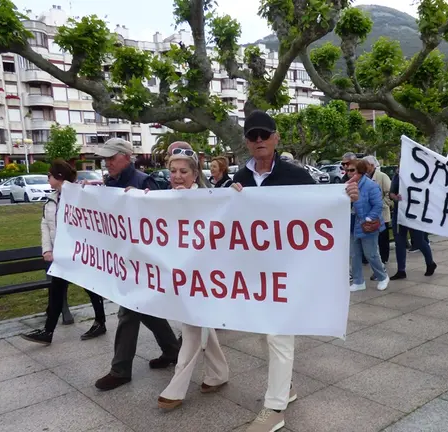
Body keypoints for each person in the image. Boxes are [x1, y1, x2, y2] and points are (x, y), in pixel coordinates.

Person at [231, 110, 359, 432]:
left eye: (264, 135)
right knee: (265, 331)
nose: (258, 140)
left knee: (278, 334)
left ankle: (274, 409)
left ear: (275, 138)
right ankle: (286, 387)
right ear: (246, 142)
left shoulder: (294, 174)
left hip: (288, 271)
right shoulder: (239, 179)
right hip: (255, 274)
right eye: (252, 136)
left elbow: (322, 207)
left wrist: (346, 198)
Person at [93, 138, 182, 390]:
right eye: (106, 158)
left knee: (128, 311)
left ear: (125, 157)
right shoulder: (109, 184)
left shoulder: (144, 182)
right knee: (145, 310)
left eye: (112, 157)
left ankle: (120, 370)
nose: (107, 162)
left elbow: (162, 223)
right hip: (124, 261)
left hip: (144, 264)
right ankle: (172, 349)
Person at [157, 148, 230, 410]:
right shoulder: (163, 198)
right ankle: (219, 373)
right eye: (173, 171)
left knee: (190, 325)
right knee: (199, 323)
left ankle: (176, 388)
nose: (177, 176)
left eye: (183, 171)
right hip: (180, 274)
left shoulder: (207, 198)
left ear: (195, 174)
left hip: (205, 275)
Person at [20, 160, 107, 345]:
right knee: (57, 290)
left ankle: (100, 321)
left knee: (90, 287)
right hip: (60, 254)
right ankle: (48, 331)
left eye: (50, 175)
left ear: (59, 177)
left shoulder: (79, 195)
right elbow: (45, 225)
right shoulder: (51, 200)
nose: (48, 178)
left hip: (79, 252)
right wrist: (47, 249)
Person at [347, 158, 390, 292]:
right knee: (354, 254)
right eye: (347, 170)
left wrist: (368, 218)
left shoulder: (371, 185)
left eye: (352, 170)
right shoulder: (347, 185)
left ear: (360, 171)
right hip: (353, 223)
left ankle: (382, 277)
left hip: (368, 225)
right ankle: (358, 281)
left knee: (371, 254)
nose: (348, 173)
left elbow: (377, 205)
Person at [389, 169, 437, 280]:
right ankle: (401, 270)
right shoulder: (397, 175)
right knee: (399, 242)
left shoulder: (419, 175)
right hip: (400, 213)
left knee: (419, 241)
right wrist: (395, 197)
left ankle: (430, 263)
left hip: (415, 213)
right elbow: (391, 192)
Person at [363, 155, 392, 268]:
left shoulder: (382, 176)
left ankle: (384, 258)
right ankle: (369, 257)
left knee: (383, 238)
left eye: (365, 165)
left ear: (371, 165)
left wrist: (383, 204)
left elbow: (389, 193)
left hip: (381, 213)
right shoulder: (364, 177)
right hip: (368, 213)